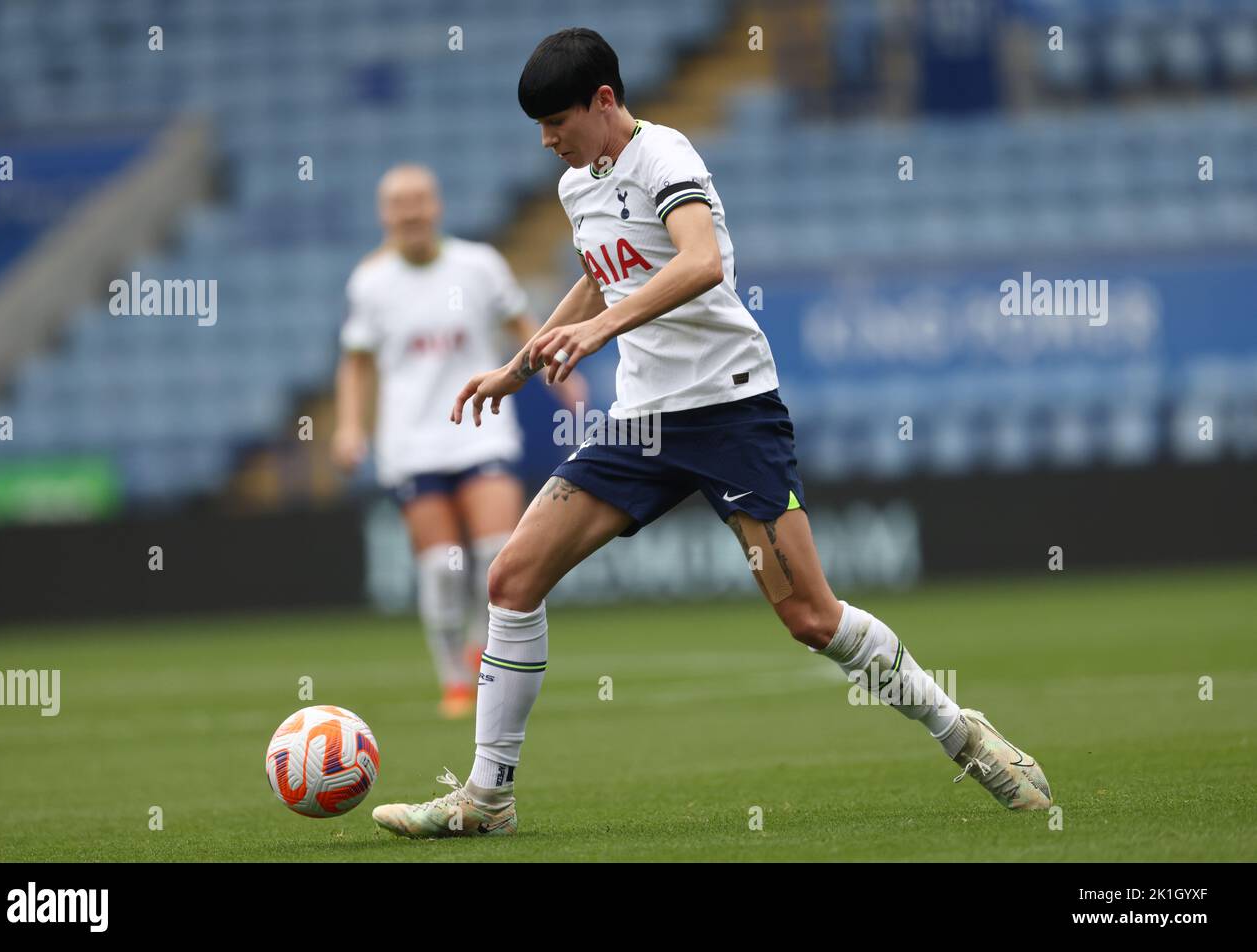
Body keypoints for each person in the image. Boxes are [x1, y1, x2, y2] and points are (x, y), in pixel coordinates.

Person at [372, 29, 1051, 836]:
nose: (547, 139)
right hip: (643, 425)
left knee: (810, 618)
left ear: (603, 101)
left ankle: (965, 736)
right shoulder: (576, 184)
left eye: (557, 120)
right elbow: (602, 271)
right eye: (539, 127)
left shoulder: (666, 156)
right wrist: (517, 368)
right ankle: (487, 800)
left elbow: (700, 264)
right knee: (511, 580)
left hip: (730, 412)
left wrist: (600, 333)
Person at [333, 163, 583, 719]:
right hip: (413, 442)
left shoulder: (479, 265)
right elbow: (355, 364)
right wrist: (350, 427)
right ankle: (452, 679)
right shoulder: (369, 283)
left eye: (420, 200)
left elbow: (524, 324)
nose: (412, 212)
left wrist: (556, 368)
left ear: (437, 206)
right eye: (400, 203)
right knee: (443, 567)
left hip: (481, 427)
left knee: (497, 555)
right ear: (385, 214)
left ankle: (479, 651)